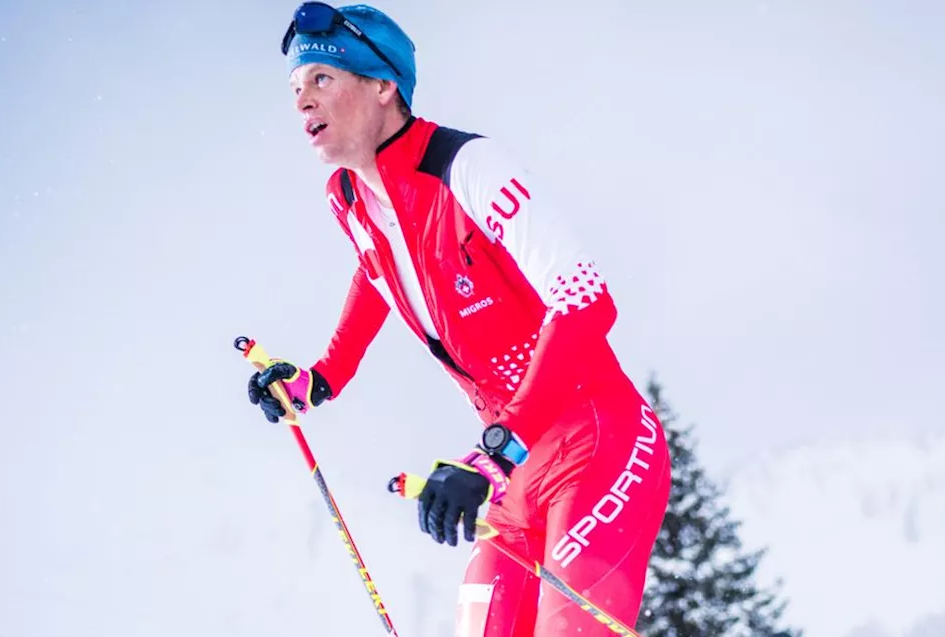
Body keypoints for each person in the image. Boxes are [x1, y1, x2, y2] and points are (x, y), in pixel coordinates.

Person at [249, 3, 671, 635]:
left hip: (597, 444)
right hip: (512, 479)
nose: (302, 102)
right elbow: (377, 270)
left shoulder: (466, 166)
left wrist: (493, 455)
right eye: (295, 88)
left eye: (321, 80)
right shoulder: (349, 198)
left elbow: (585, 301)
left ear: (383, 85)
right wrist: (322, 379)